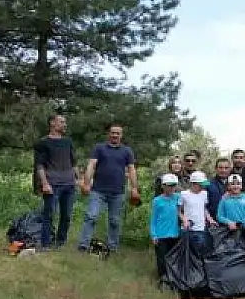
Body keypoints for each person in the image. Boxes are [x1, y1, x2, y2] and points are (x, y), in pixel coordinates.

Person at [78, 123, 139, 254]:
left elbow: (132, 170)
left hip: (117, 192)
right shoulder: (99, 148)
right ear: (109, 134)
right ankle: (83, 244)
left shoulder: (127, 151)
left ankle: (112, 247)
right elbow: (91, 165)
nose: (115, 135)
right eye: (113, 133)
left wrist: (134, 188)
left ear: (121, 135)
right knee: (91, 216)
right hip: (98, 190)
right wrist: (86, 183)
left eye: (118, 133)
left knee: (114, 221)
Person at [34, 113, 80, 249]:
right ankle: (45, 244)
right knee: (49, 215)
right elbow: (40, 165)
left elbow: (74, 163)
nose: (64, 124)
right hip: (52, 184)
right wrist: (44, 183)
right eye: (61, 122)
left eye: (65, 122)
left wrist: (80, 180)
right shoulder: (43, 143)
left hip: (69, 184)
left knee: (66, 215)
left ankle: (60, 242)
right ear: (52, 123)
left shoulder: (68, 142)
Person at [150, 173, 182, 284]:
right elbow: (153, 219)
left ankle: (174, 280)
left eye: (173, 185)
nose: (171, 188)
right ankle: (163, 281)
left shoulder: (178, 197)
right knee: (162, 260)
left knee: (174, 259)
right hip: (161, 235)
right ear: (163, 186)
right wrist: (153, 234)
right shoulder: (157, 201)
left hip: (175, 234)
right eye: (168, 185)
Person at [179, 171, 214, 249]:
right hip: (187, 229)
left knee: (199, 251)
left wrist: (210, 219)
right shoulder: (184, 194)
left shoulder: (204, 194)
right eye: (201, 185)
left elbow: (204, 209)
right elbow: (179, 211)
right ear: (193, 183)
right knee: (187, 252)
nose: (203, 187)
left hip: (201, 229)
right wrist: (184, 220)